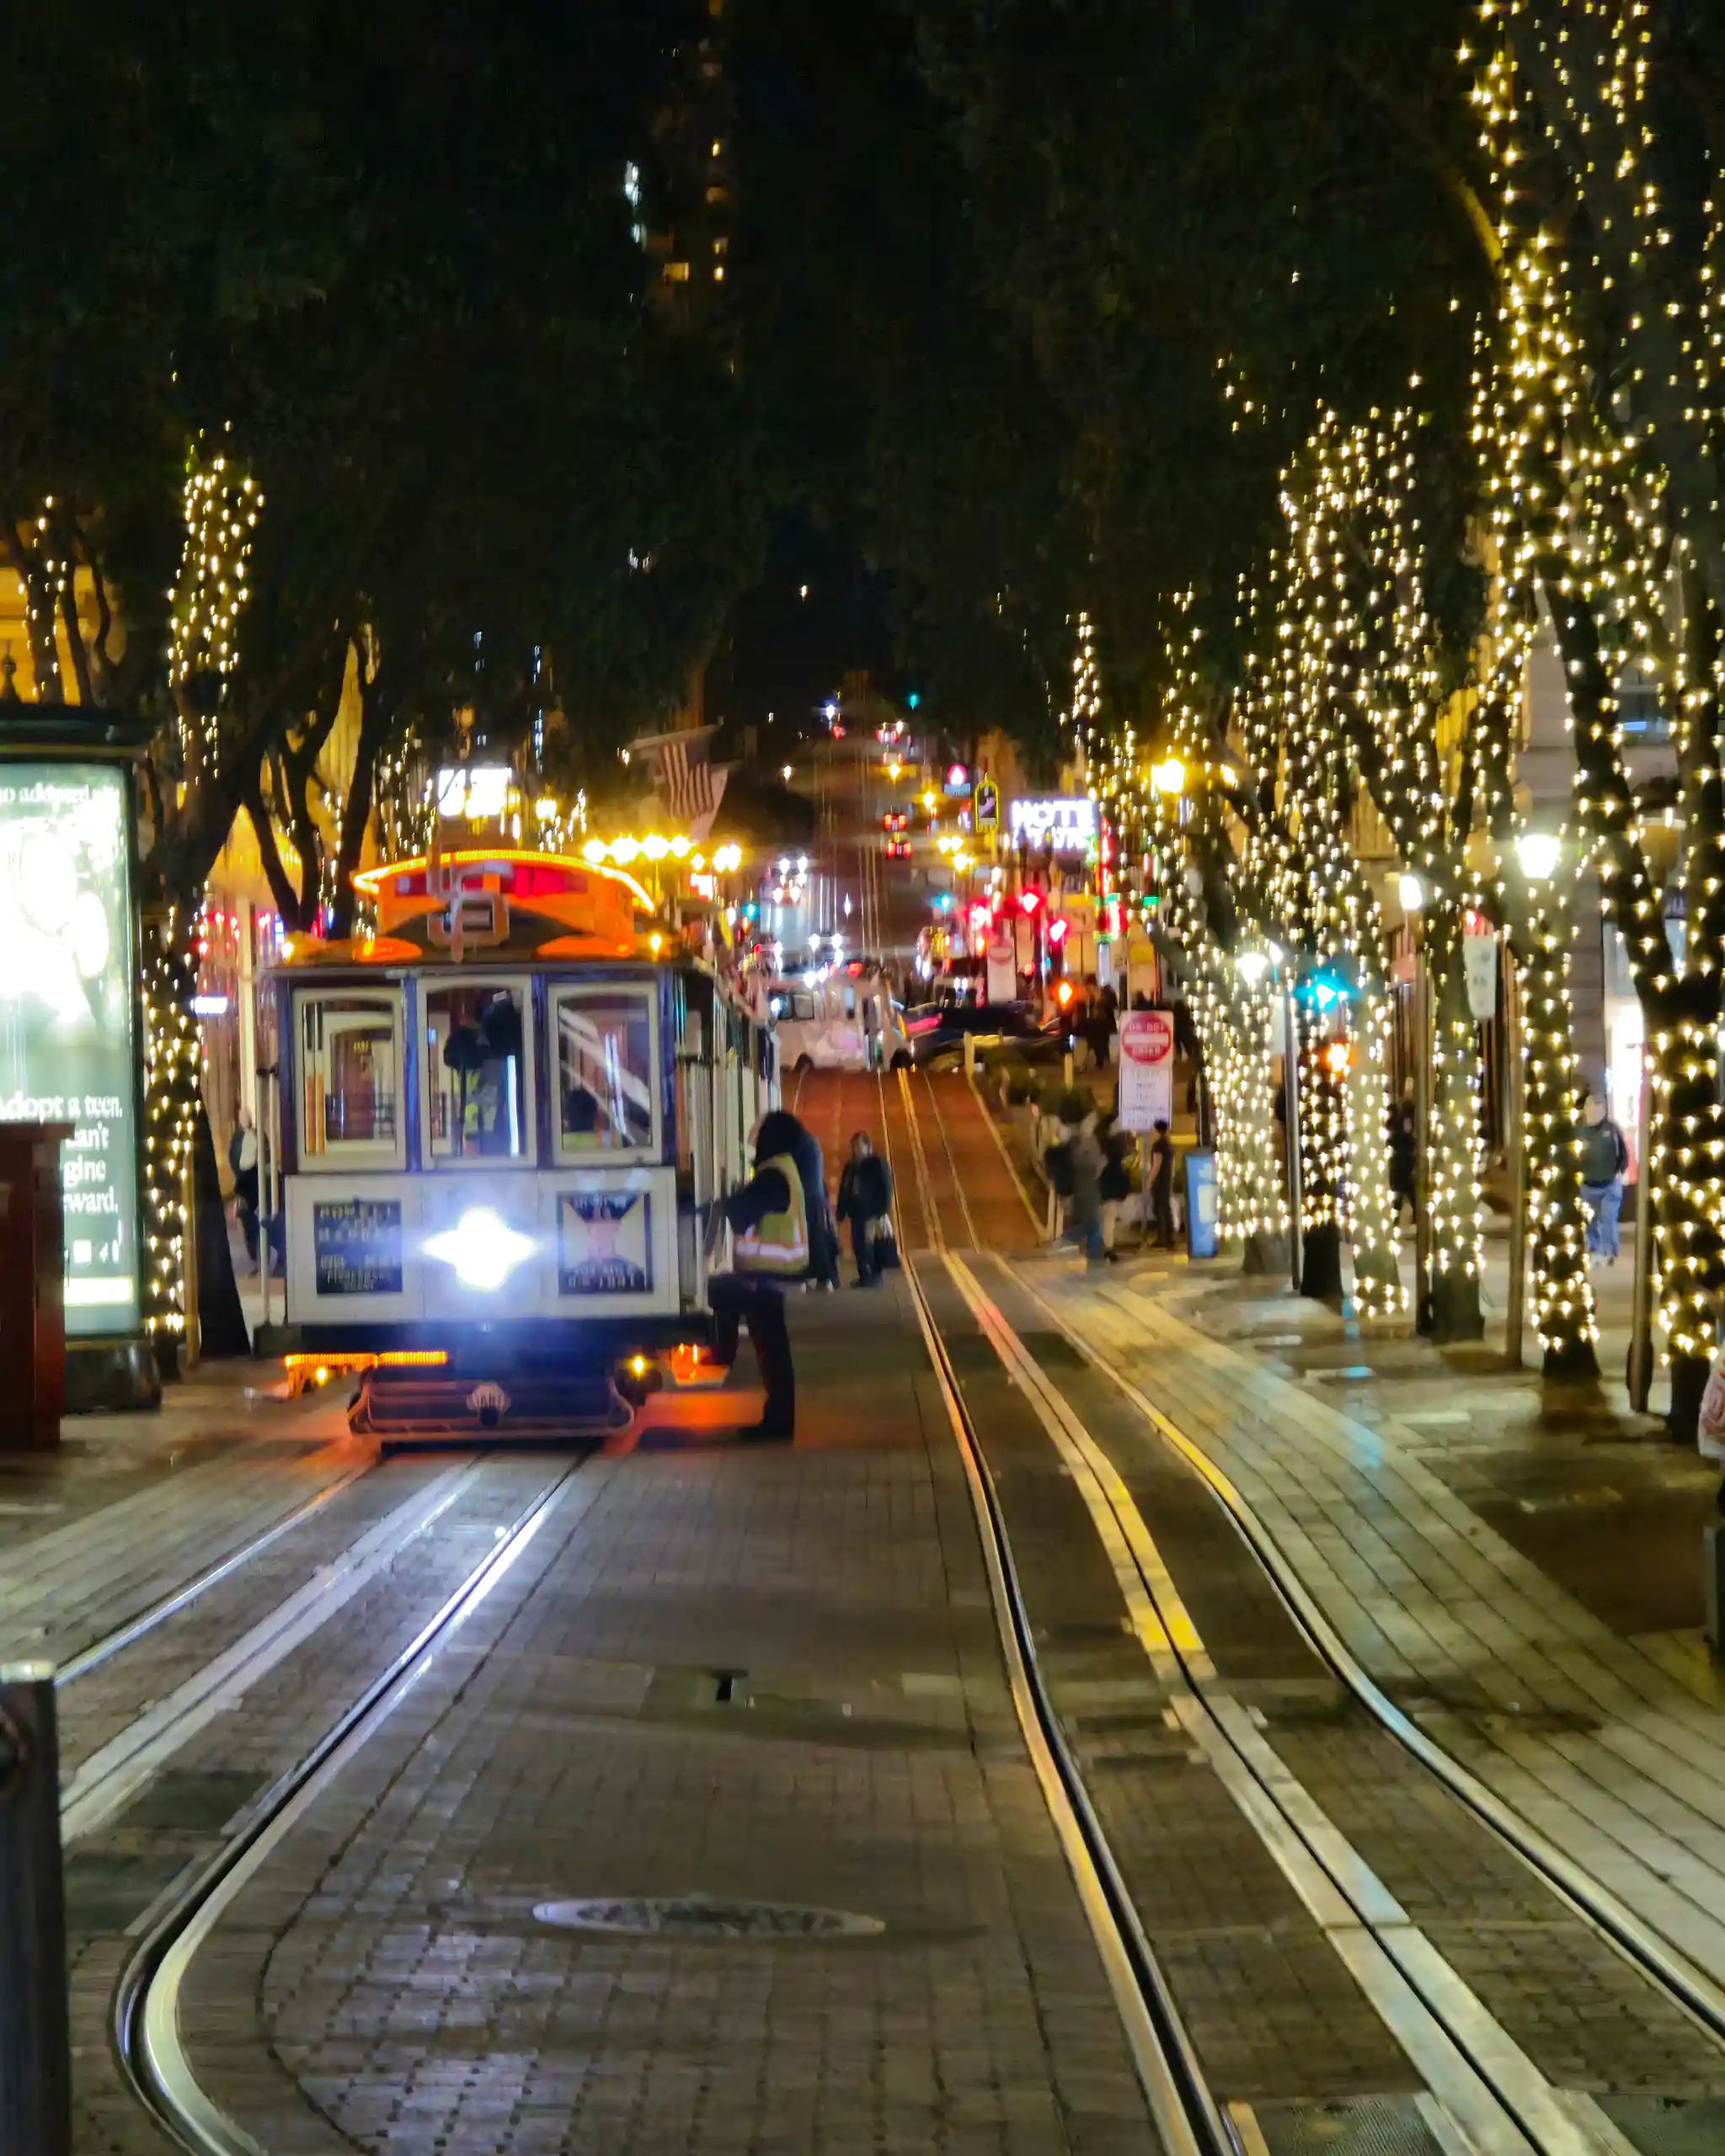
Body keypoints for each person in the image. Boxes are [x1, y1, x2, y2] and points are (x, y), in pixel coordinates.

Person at [709, 1123, 809, 1441]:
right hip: (770, 1274)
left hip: (768, 1274)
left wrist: (722, 1202)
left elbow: (742, 1212)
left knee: (770, 1347)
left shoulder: (773, 1175)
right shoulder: (784, 1169)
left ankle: (778, 1420)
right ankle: (778, 1418)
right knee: (772, 1349)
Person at [766, 1107, 841, 1291]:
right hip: (815, 1196)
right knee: (817, 1237)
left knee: (810, 1239)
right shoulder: (809, 1142)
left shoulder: (798, 1146)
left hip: (806, 1198)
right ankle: (825, 1277)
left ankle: (819, 1276)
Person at [836, 1130, 894, 1286]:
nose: (857, 1151)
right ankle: (864, 1276)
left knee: (872, 1245)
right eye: (854, 1147)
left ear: (868, 1147)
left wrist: (882, 1211)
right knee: (858, 1245)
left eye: (859, 1147)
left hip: (872, 1213)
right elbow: (845, 1188)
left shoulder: (878, 1165)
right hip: (857, 1213)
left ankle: (875, 1276)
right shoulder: (851, 1167)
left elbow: (886, 1188)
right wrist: (841, 1212)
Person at [1578, 1091, 1629, 1263]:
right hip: (1587, 1184)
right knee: (1590, 1220)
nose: (1595, 1110)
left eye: (1599, 1107)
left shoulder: (1612, 1129)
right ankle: (1593, 1248)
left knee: (1608, 1218)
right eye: (1591, 1106)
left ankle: (1609, 1251)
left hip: (1610, 1184)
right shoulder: (1580, 1130)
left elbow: (1623, 1152)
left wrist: (1621, 1172)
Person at [1068, 1109, 1106, 1269]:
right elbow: (1084, 1163)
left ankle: (1094, 1254)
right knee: (1093, 1224)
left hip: (1088, 1188)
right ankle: (1094, 1255)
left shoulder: (1087, 1142)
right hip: (1088, 1188)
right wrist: (1099, 1166)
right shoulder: (1084, 1143)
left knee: (1092, 1223)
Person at [227, 1105, 260, 1269]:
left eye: (247, 1116)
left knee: (258, 1221)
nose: (246, 1119)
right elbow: (232, 1157)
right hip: (244, 1183)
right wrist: (239, 1174)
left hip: (256, 1182)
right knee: (248, 1222)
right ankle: (254, 1257)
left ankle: (260, 1256)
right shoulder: (237, 1138)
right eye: (243, 1116)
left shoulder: (257, 1134)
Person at [1097, 1113, 1132, 1262]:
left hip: (1108, 1183)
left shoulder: (1106, 1142)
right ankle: (1108, 1248)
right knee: (1109, 1216)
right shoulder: (1115, 1144)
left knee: (1108, 1216)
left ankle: (1106, 1246)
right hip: (1112, 1184)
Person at [1388, 1084, 1417, 1231]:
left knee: (1404, 1191)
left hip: (1400, 1159)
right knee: (1406, 1190)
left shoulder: (1401, 1117)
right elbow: (1406, 1136)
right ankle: (1401, 1217)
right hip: (1404, 1159)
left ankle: (1397, 1218)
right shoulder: (1406, 1118)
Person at [1147, 1118, 1177, 1249]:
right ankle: (1170, 1238)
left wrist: (1149, 1180)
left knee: (1159, 1209)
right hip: (1167, 1179)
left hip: (1159, 1182)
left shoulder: (1158, 1145)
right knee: (1166, 1208)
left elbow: (1156, 1165)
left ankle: (1162, 1238)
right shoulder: (1169, 1144)